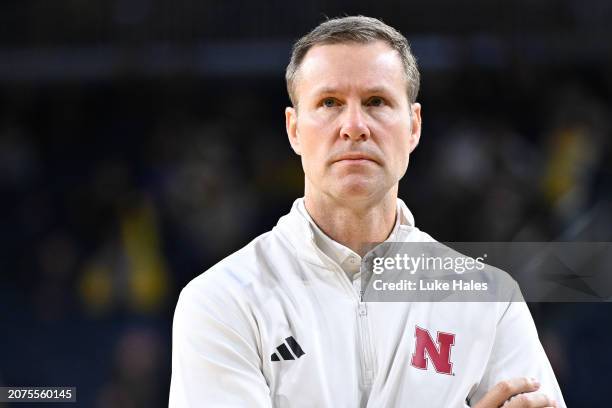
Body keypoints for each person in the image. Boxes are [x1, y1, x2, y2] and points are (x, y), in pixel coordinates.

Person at [169, 16, 565, 407]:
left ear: (413, 126)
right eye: (329, 103)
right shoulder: (222, 300)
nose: (354, 126)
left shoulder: (491, 300)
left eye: (376, 102)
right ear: (294, 130)